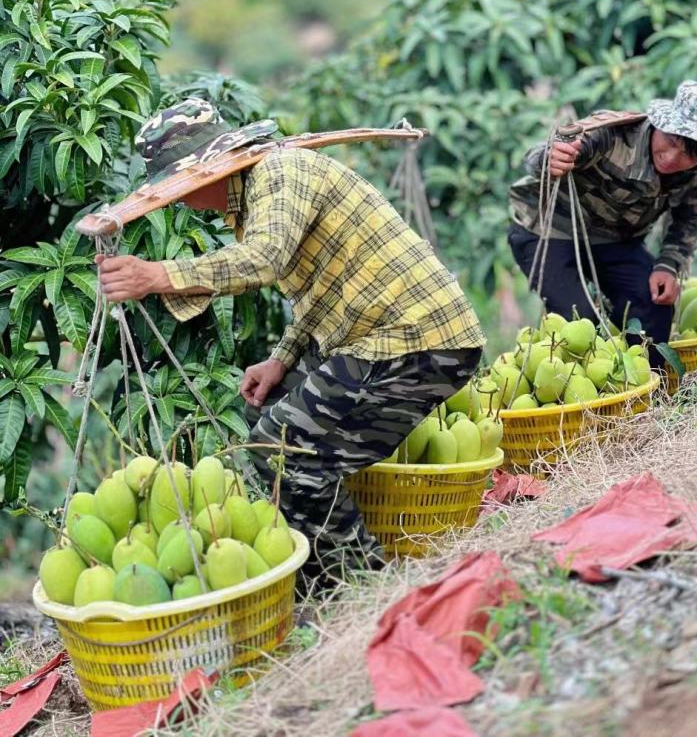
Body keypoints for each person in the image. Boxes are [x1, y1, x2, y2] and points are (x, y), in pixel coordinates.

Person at [96, 98, 484, 577]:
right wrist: (282, 358)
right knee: (266, 419)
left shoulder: (279, 172)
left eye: (176, 186)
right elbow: (319, 287)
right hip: (375, 335)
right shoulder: (260, 188)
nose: (176, 199)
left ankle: (357, 584)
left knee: (282, 450)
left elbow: (266, 258)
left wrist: (157, 275)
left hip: (414, 339)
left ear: (207, 172)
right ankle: (310, 568)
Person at [507, 81, 697, 354]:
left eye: (687, 154)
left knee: (654, 308)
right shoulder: (611, 135)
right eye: (671, 142)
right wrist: (550, 158)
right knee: (579, 323)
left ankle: (650, 389)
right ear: (661, 124)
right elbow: (538, 157)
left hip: (614, 241)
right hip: (548, 230)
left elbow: (688, 219)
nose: (672, 158)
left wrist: (668, 266)